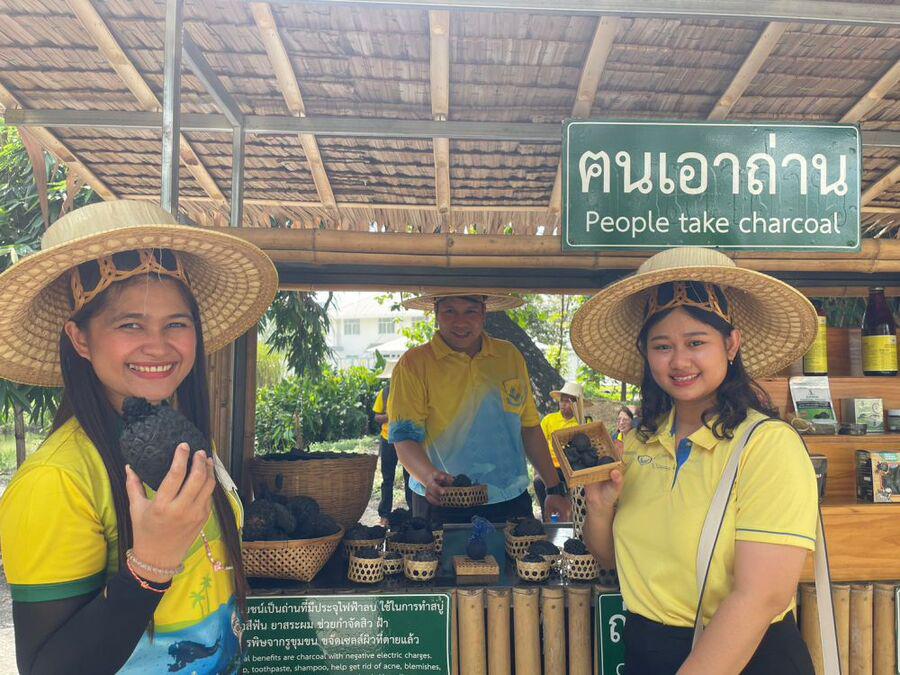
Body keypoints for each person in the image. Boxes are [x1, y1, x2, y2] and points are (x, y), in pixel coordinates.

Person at [0, 201, 277, 674]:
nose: (158, 345)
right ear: (80, 339)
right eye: (130, 324)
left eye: (176, 324)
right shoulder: (56, 481)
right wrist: (150, 566)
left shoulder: (183, 438)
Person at [572, 247, 819, 674]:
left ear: (731, 344)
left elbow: (761, 597)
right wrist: (599, 506)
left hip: (743, 656)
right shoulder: (638, 443)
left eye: (696, 342)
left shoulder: (767, 446)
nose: (679, 361)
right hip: (647, 651)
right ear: (646, 353)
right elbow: (614, 560)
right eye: (662, 346)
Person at [387, 292, 571, 524]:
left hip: (510, 498)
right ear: (436, 314)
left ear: (484, 313)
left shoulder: (509, 356)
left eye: (470, 311)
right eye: (450, 311)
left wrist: (553, 488)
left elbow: (529, 427)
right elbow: (404, 438)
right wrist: (429, 478)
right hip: (442, 499)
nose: (460, 322)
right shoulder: (413, 364)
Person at [535, 381, 584, 518]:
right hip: (551, 467)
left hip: (571, 468)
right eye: (562, 400)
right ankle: (546, 517)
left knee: (580, 488)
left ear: (576, 404)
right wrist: (537, 470)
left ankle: (576, 518)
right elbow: (539, 444)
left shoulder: (581, 423)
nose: (563, 404)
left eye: (568, 401)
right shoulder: (549, 420)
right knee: (538, 482)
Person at [372, 362, 411, 525]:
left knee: (410, 476)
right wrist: (390, 416)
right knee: (387, 477)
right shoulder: (385, 393)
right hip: (388, 438)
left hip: (407, 439)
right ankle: (385, 515)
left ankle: (412, 512)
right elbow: (376, 417)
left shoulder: (410, 392)